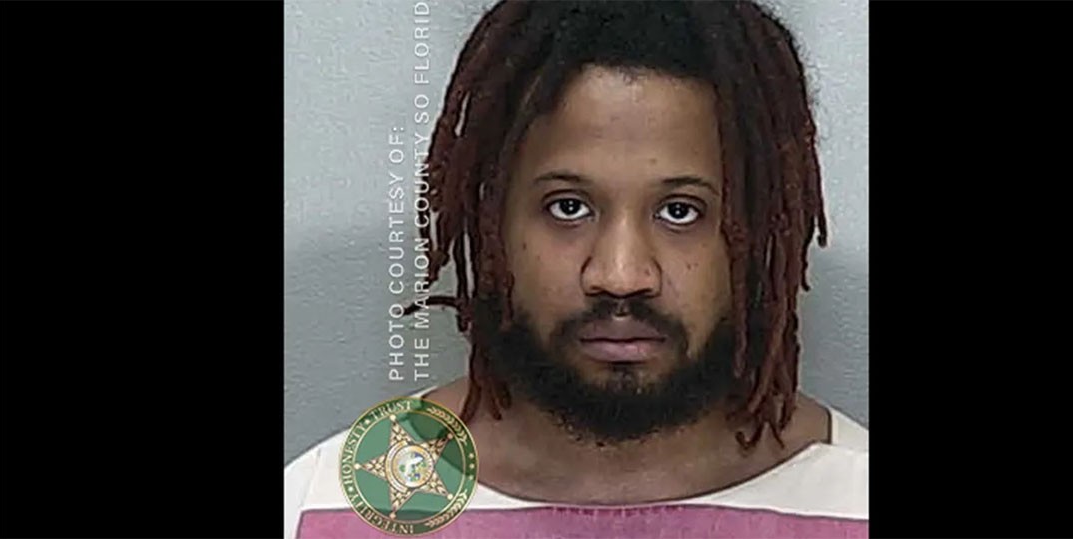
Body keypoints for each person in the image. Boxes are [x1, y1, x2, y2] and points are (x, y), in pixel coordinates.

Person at [285, 1, 868, 537]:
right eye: (568, 207)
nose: (620, 274)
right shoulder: (327, 507)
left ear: (760, 229)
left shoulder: (853, 499)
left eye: (680, 211)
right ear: (491, 221)